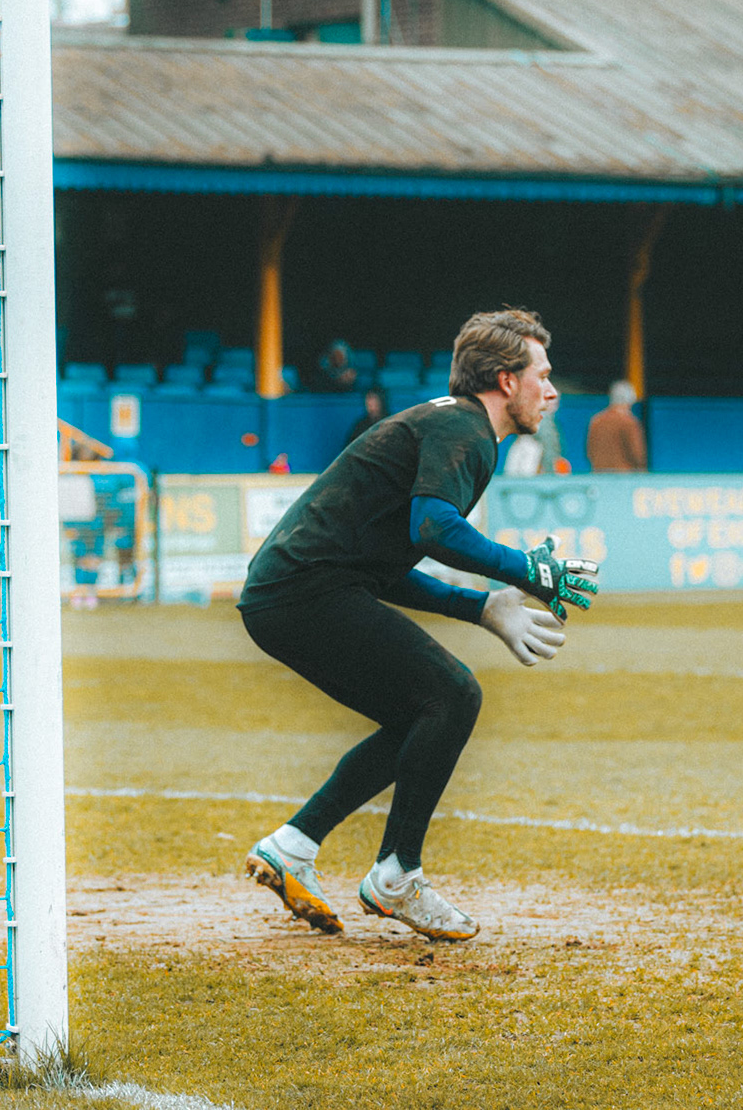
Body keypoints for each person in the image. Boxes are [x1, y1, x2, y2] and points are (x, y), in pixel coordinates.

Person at [237, 308, 601, 942]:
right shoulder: (466, 430)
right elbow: (433, 529)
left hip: (294, 592)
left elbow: (384, 568)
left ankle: (293, 846)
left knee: (422, 714)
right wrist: (525, 569)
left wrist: (479, 607)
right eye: (542, 375)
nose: (551, 391)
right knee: (452, 695)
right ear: (506, 380)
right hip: (305, 592)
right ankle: (397, 875)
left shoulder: (450, 424)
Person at [586, 380, 649, 473]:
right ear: (630, 400)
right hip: (624, 476)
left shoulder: (596, 420)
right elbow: (637, 454)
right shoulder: (629, 422)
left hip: (598, 474)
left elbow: (589, 451)